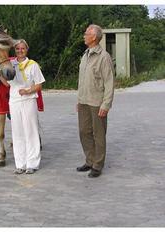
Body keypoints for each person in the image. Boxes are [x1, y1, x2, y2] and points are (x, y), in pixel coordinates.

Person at [76, 24, 114, 178]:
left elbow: (109, 82)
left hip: (97, 103)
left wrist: (106, 104)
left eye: (86, 33)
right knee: (84, 132)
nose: (84, 35)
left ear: (94, 37)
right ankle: (90, 160)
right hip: (84, 101)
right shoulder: (85, 55)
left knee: (98, 134)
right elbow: (82, 81)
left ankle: (98, 165)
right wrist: (79, 100)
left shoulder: (104, 57)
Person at [8, 39, 45, 174]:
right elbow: (7, 84)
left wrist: (28, 90)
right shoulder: (10, 64)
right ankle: (20, 163)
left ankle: (32, 164)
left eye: (22, 48)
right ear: (15, 50)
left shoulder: (33, 65)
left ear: (27, 50)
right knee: (17, 132)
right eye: (17, 49)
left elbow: (39, 84)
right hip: (14, 101)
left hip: (29, 100)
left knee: (30, 131)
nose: (20, 51)